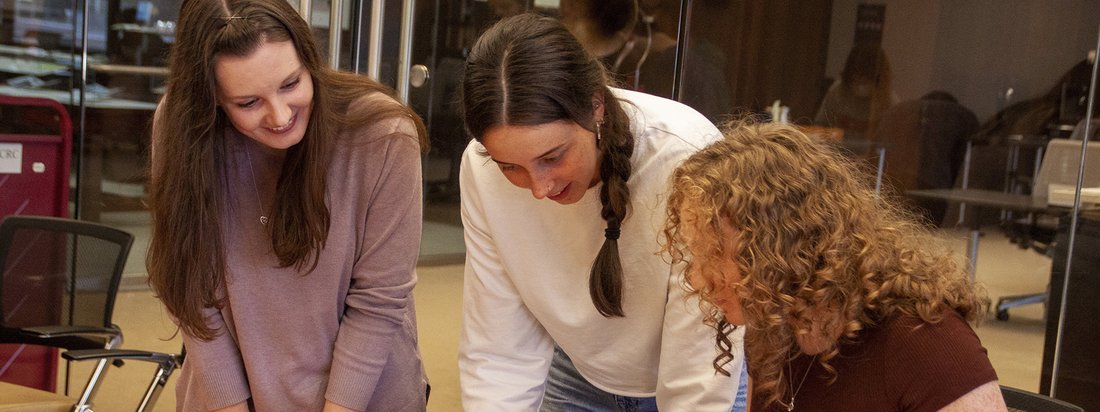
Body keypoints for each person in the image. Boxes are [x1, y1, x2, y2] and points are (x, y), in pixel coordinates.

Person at [146, 0, 428, 410]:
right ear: (212, 101)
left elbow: (378, 302)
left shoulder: (382, 133)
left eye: (291, 83)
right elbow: (189, 289)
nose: (279, 116)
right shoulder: (180, 127)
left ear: (309, 60)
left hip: (365, 398)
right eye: (247, 103)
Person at [458, 13, 746, 411]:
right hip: (578, 371)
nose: (540, 188)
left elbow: (700, 353)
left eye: (552, 157)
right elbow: (498, 346)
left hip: (695, 372)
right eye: (511, 168)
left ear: (596, 106)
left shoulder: (686, 156)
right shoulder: (481, 166)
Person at [661, 120, 1009, 411]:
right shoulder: (774, 321)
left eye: (716, 254)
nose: (697, 278)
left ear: (782, 247)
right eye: (697, 255)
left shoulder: (926, 341)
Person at [815, 44, 899, 140]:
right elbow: (820, 125)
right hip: (837, 152)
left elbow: (893, 140)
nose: (860, 84)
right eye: (856, 78)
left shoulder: (889, 101)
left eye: (865, 79)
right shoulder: (838, 91)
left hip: (870, 154)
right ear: (849, 74)